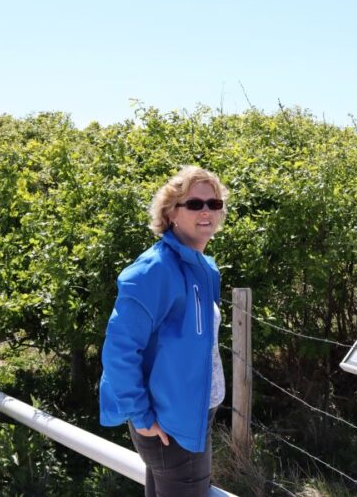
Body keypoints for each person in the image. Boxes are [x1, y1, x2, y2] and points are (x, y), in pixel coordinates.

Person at [99, 166, 227, 496]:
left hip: (191, 418)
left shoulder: (203, 267)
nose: (206, 211)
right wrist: (141, 416)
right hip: (169, 427)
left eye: (214, 204)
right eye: (195, 204)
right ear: (170, 212)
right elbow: (119, 352)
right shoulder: (154, 270)